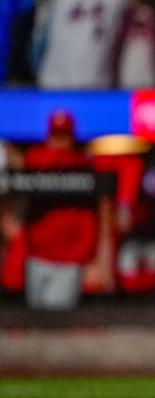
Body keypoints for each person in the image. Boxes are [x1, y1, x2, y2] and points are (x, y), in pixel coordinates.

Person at [21, 110, 98, 310]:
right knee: (34, 320)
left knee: (57, 317)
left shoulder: (81, 163)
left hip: (69, 262)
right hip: (37, 257)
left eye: (64, 136)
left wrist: (87, 257)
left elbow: (70, 161)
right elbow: (36, 161)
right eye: (55, 136)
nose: (59, 142)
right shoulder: (36, 158)